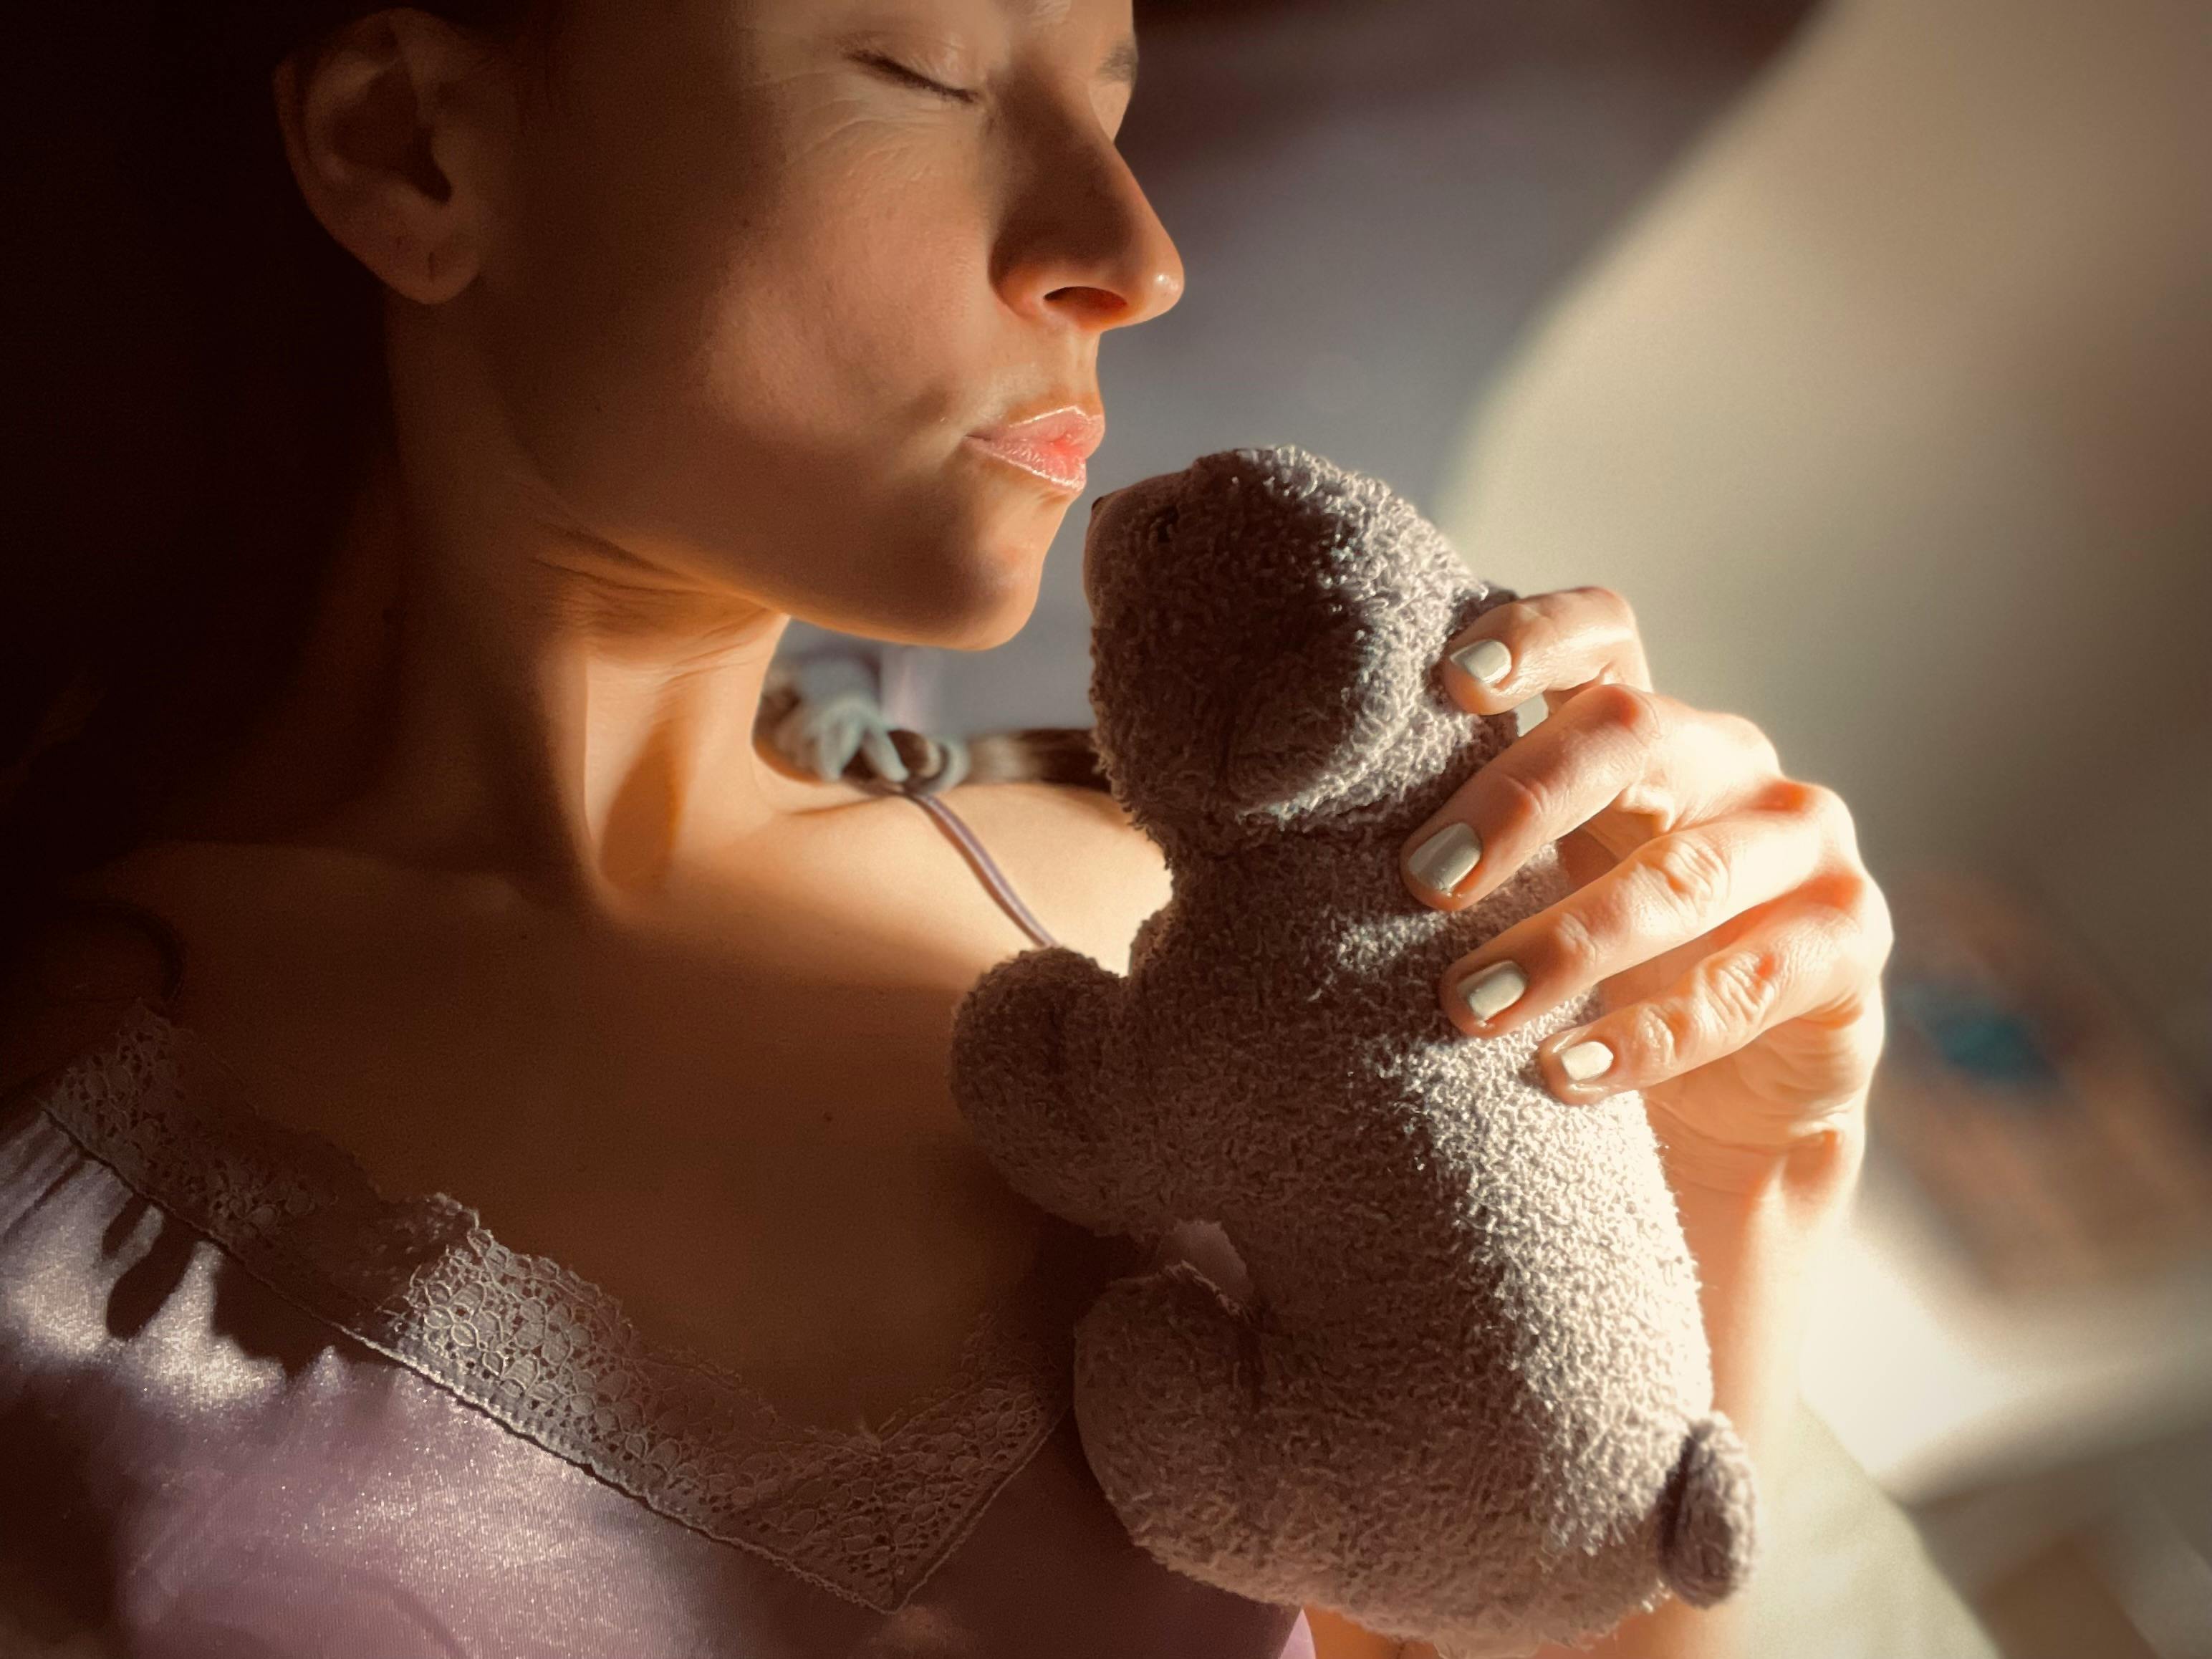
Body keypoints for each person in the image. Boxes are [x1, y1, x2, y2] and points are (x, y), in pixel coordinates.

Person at [0, 1, 1890, 1654]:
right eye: (929, 67)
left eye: (1119, 99)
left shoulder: (1177, 933)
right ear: (411, 149)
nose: (1130, 254)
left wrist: (1742, 1176)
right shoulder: (54, 1123)